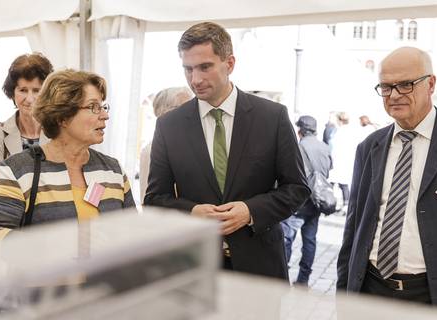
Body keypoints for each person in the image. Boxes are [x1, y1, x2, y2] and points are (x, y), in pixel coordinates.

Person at [144, 22, 310, 279]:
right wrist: (192, 212)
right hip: (194, 269)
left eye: (205, 67)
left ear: (230, 63)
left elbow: (297, 188)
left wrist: (251, 211)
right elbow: (155, 199)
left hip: (259, 269)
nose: (195, 79)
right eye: (188, 69)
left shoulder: (272, 117)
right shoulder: (169, 125)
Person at [337, 47, 437, 307]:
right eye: (386, 87)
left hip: (435, 296)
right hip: (371, 291)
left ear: (431, 84)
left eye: (405, 85)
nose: (394, 95)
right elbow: (354, 227)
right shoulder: (369, 147)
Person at [0, 69, 135, 240]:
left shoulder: (113, 171)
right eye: (93, 107)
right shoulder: (18, 171)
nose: (105, 115)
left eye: (103, 106)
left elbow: (133, 232)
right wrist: (50, 246)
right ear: (62, 117)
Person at [0, 53, 53, 205]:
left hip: (53, 224)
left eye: (36, 90)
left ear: (46, 93)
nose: (30, 98)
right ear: (12, 92)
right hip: (13, 224)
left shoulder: (60, 131)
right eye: (23, 90)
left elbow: (69, 185)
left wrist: (9, 182)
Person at [281, 115, 332, 286]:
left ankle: (282, 277)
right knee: (310, 240)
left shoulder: (298, 147)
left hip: (298, 201)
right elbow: (327, 171)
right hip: (316, 201)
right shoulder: (324, 147)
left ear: (300, 130)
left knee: (287, 238)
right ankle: (304, 279)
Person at [139, 87, 192, 203]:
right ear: (165, 112)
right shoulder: (151, 151)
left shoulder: (187, 147)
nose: (192, 114)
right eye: (185, 108)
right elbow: (149, 199)